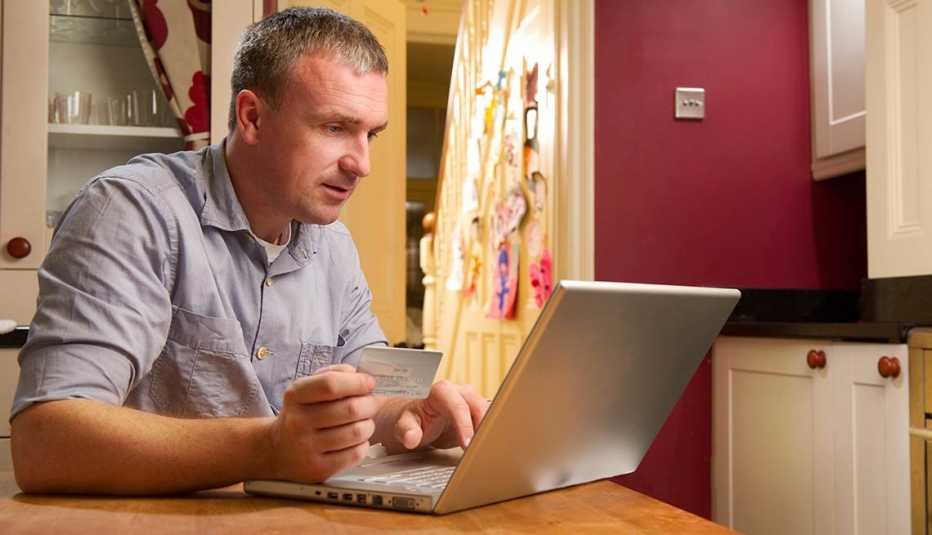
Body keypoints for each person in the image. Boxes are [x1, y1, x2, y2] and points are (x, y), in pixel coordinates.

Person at [9, 7, 487, 494]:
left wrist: (411, 415)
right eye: (334, 128)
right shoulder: (131, 211)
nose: (361, 163)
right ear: (252, 117)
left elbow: (374, 395)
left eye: (371, 134)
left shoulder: (333, 245)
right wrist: (269, 447)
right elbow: (45, 441)